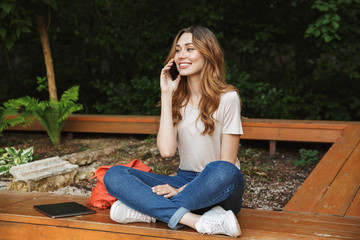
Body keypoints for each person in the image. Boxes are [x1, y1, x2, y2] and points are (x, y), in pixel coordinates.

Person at [104, 26, 245, 237]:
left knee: (223, 170)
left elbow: (226, 163)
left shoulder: (228, 97)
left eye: (189, 49)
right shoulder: (177, 100)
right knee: (114, 175)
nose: (181, 56)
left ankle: (148, 210)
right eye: (178, 50)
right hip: (184, 179)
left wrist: (180, 191)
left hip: (218, 185)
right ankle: (194, 220)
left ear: (208, 53)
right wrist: (167, 94)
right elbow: (167, 151)